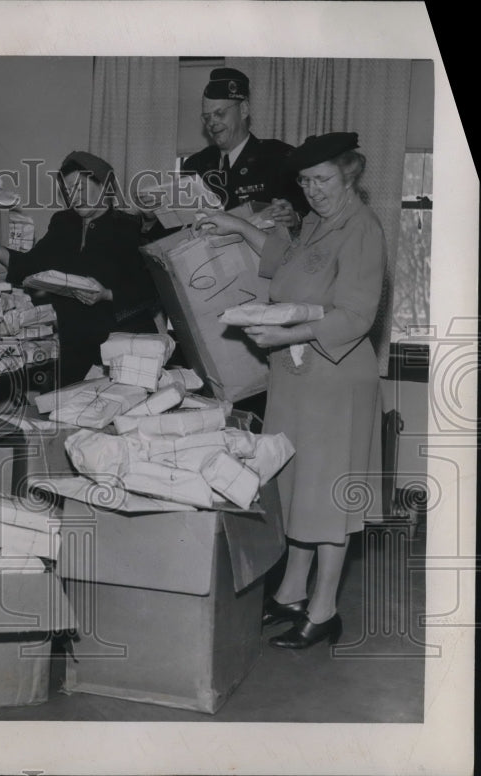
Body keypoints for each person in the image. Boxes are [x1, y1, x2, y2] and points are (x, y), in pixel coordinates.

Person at [198, 132, 386, 649]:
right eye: (304, 181)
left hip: (335, 379)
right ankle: (290, 593)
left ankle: (324, 609)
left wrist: (285, 333)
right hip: (298, 377)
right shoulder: (319, 224)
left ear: (350, 174)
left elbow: (356, 315)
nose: (314, 190)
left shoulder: (361, 229)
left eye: (323, 179)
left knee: (326, 495)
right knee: (295, 484)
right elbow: (282, 260)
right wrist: (236, 224)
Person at [0, 151, 162, 387]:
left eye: (80, 188)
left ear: (103, 186)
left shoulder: (129, 227)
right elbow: (31, 266)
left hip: (126, 343)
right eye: (69, 191)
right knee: (60, 410)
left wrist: (106, 295)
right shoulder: (63, 223)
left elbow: (151, 290)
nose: (74, 197)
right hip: (76, 344)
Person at [180, 67, 307, 228]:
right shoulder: (195, 165)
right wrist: (152, 218)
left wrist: (294, 218)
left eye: (219, 114)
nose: (212, 123)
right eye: (206, 117)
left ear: (244, 110)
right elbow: (176, 229)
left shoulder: (278, 158)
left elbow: (307, 216)